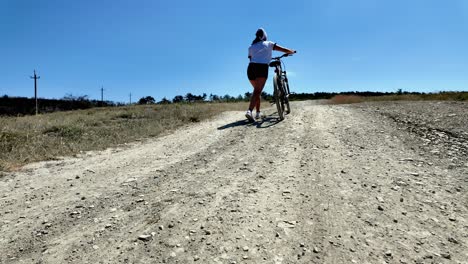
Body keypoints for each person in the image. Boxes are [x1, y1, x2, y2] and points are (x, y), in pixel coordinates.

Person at [246, 28, 295, 122]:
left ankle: (258, 112)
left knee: (257, 91)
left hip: (250, 68)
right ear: (265, 36)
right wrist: (291, 51)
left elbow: (251, 58)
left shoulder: (251, 47)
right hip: (261, 68)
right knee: (257, 91)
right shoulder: (269, 43)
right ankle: (249, 111)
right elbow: (284, 49)